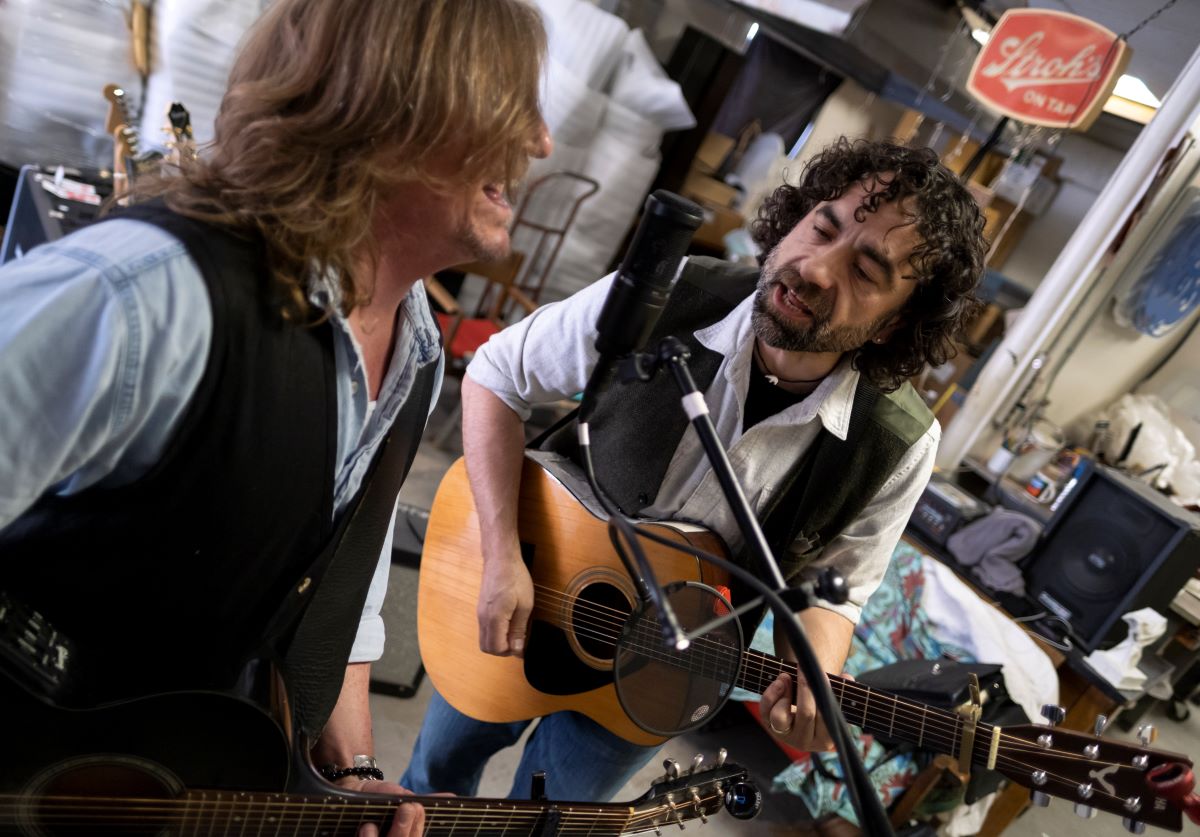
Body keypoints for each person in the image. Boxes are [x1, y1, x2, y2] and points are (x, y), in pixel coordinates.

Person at [0, 0, 551, 833]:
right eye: (514, 102)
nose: (540, 142)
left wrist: (354, 767)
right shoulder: (149, 296)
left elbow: (340, 577)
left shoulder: (416, 355)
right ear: (395, 105)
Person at [401, 138, 987, 803]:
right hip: (521, 587)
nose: (817, 269)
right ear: (796, 217)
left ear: (894, 324)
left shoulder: (897, 442)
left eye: (866, 270)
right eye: (821, 228)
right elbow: (497, 375)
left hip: (665, 673)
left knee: (551, 822)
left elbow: (837, 591)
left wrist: (812, 681)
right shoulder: (674, 291)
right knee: (431, 784)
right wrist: (503, 552)